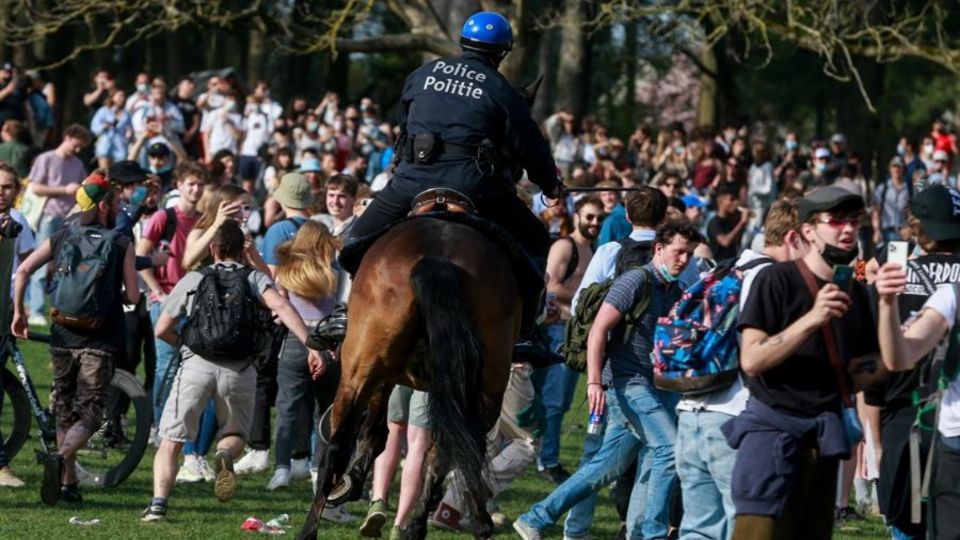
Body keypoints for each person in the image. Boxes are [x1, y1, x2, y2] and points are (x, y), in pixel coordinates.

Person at [316, 11, 563, 356]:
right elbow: (530, 146)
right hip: (475, 185)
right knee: (536, 239)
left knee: (355, 238)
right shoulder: (501, 89)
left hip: (413, 180)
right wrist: (550, 185)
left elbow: (405, 124)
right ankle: (524, 333)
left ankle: (343, 312)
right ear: (502, 52)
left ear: (463, 42)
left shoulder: (423, 74)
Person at [513, 219, 701, 540]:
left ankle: (536, 517)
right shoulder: (634, 281)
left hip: (658, 387)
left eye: (689, 254)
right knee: (669, 449)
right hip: (628, 384)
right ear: (659, 249)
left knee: (608, 466)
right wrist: (595, 383)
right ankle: (653, 534)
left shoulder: (678, 291)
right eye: (679, 252)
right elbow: (598, 331)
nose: (684, 260)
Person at [139, 220, 326, 522]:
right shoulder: (253, 278)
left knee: (171, 439)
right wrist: (312, 345)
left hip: (196, 366)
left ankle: (158, 504)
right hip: (240, 369)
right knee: (236, 434)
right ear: (242, 250)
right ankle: (225, 454)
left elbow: (162, 329)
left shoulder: (195, 278)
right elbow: (283, 306)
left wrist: (185, 344)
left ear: (213, 248)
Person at [729, 186, 886, 538]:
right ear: (808, 232)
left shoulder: (856, 293)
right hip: (772, 441)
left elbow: (857, 376)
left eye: (854, 221)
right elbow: (752, 358)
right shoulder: (776, 280)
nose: (848, 230)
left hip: (825, 443)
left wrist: (898, 331)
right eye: (836, 221)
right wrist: (812, 320)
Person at [675, 199, 808, 540]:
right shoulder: (773, 280)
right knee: (746, 528)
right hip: (734, 419)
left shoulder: (728, 268)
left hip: (691, 413)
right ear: (795, 238)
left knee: (698, 530)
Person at [12, 174, 139, 505]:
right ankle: (61, 460)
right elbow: (135, 296)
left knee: (65, 408)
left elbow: (23, 270)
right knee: (92, 411)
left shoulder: (61, 235)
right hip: (100, 337)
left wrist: (20, 312)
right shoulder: (121, 241)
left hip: (62, 333)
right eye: (114, 203)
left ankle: (68, 484)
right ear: (102, 207)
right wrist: (118, 294)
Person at [864, 183, 960, 539]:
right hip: (938, 426)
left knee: (906, 527)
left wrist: (871, 436)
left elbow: (883, 364)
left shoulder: (895, 275)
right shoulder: (951, 292)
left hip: (904, 420)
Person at [136, 162, 207, 442]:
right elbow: (142, 258)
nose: (196, 189)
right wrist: (158, 293)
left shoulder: (203, 221)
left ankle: (182, 425)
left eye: (200, 184)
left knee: (190, 366)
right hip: (166, 297)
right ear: (179, 186)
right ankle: (158, 426)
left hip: (195, 300)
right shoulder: (163, 218)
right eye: (190, 183)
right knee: (165, 365)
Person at [536, 196, 601, 483]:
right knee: (552, 399)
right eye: (589, 217)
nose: (594, 223)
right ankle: (546, 460)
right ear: (577, 216)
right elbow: (551, 284)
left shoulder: (593, 249)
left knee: (558, 400)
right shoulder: (566, 245)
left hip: (574, 332)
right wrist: (585, 301)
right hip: (557, 330)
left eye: (598, 218)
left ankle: (543, 455)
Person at [26, 124, 90, 327]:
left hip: (70, 219)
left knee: (64, 266)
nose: (78, 150)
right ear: (67, 137)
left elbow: (82, 187)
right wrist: (64, 189)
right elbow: (34, 186)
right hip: (49, 216)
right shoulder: (46, 159)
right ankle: (35, 310)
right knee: (41, 265)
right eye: (77, 145)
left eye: (81, 147)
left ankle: (59, 308)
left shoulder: (78, 163)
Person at [0, 161, 35, 489]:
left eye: (8, 186)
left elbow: (27, 264)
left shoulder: (20, 222)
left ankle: (1, 464)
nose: (1, 192)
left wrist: (20, 304)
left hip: (6, 308)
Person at [872, 156, 911, 248]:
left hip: (903, 234)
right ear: (890, 169)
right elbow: (876, 211)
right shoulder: (882, 188)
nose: (896, 169)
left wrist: (910, 229)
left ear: (904, 169)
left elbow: (913, 212)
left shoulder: (910, 189)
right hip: (885, 233)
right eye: (894, 166)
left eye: (899, 166)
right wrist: (877, 230)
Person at [706, 184, 750, 262]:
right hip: (719, 266)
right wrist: (742, 222)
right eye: (732, 199)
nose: (736, 202)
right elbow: (725, 242)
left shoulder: (731, 220)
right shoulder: (714, 222)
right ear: (721, 201)